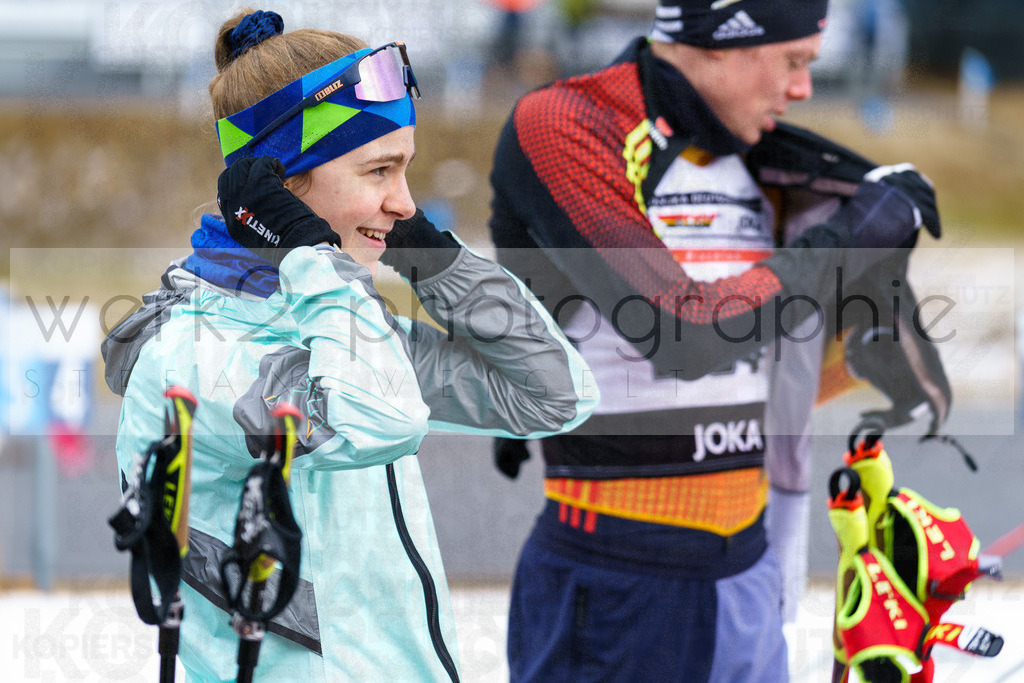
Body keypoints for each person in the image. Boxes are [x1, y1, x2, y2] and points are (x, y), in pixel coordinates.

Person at [102, 9, 596, 682]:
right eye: (379, 171)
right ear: (278, 191)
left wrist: (429, 255)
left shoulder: (342, 325)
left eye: (406, 170)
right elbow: (379, 419)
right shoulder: (195, 353)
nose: (404, 201)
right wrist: (313, 253)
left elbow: (553, 393)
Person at [488, 0, 948, 680]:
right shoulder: (568, 121)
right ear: (724, 40)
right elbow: (682, 334)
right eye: (794, 61)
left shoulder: (762, 153)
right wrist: (848, 239)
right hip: (622, 579)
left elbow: (777, 365)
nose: (803, 89)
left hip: (752, 566)